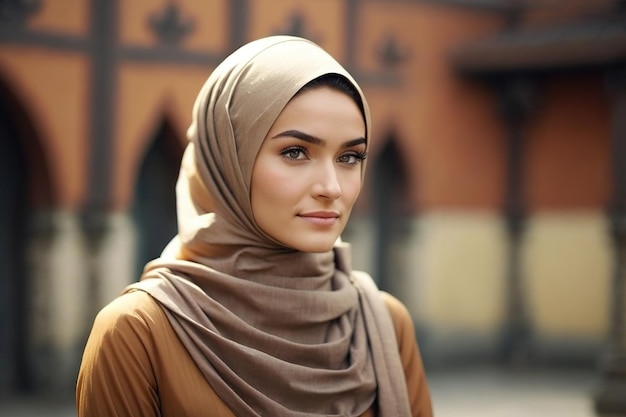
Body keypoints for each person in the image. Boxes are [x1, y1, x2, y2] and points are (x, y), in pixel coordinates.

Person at [76, 35, 433, 417]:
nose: (332, 188)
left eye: (350, 157)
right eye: (295, 152)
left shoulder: (384, 325)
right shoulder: (138, 334)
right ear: (228, 159)